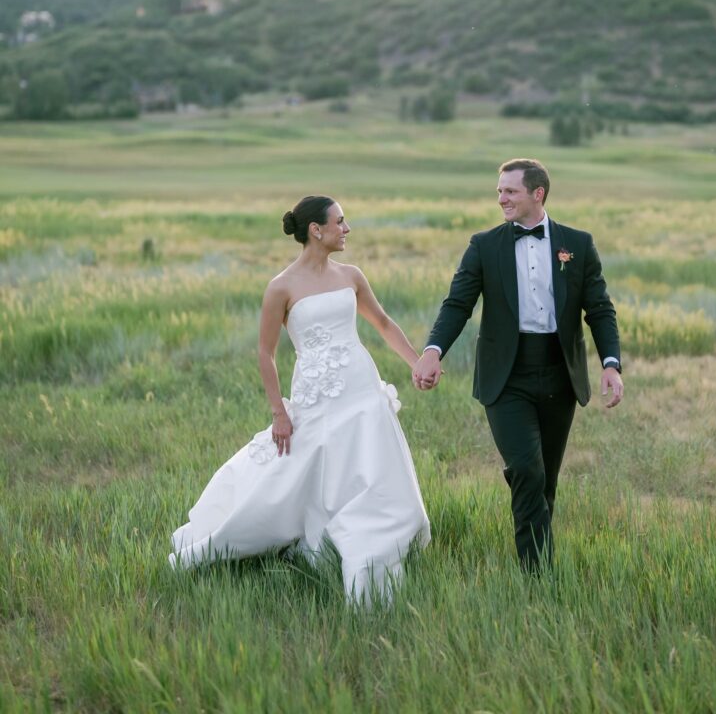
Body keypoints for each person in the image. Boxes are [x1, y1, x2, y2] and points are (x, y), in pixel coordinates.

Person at [170, 195, 430, 602]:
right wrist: (279, 412)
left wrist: (417, 363)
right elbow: (265, 353)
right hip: (315, 395)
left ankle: (373, 536)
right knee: (293, 472)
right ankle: (242, 537)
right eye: (340, 222)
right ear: (316, 230)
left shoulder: (352, 276)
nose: (346, 229)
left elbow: (381, 322)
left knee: (372, 466)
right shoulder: (281, 287)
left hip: (361, 389)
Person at [411, 158, 622, 572]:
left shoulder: (577, 244)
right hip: (506, 375)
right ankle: (539, 576)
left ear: (537, 193)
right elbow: (458, 304)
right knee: (526, 469)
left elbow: (599, 308)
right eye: (499, 191)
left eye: (510, 191)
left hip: (560, 374)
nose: (501, 198)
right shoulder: (484, 245)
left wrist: (611, 364)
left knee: (546, 480)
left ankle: (537, 561)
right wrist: (433, 350)